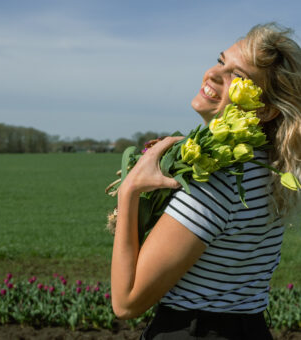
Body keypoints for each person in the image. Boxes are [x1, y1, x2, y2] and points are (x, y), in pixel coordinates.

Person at [111, 23, 301, 340]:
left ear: (265, 110)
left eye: (237, 77)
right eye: (220, 60)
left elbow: (127, 302)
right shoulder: (268, 169)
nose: (214, 73)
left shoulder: (218, 179)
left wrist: (130, 190)